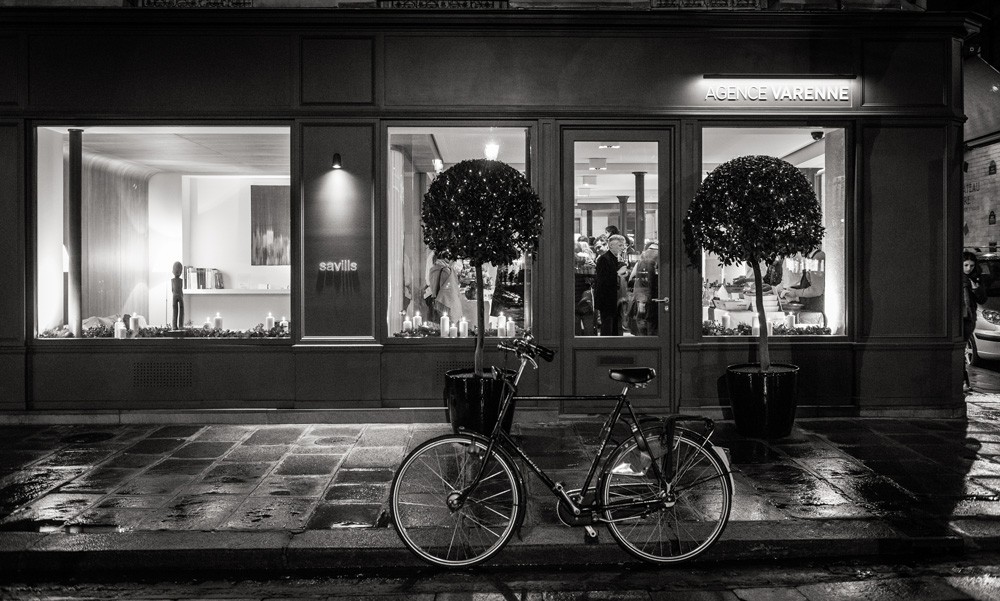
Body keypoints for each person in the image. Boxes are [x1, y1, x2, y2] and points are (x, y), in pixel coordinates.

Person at [963, 251, 988, 392]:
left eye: (971, 266)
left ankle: (964, 382)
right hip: (958, 317)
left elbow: (983, 299)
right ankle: (964, 381)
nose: (968, 269)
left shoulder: (976, 278)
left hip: (969, 318)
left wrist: (976, 289)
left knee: (961, 349)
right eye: (966, 265)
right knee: (959, 350)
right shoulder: (958, 278)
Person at [594, 234, 627, 336]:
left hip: (613, 300)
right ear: (611, 245)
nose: (623, 248)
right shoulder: (604, 259)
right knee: (608, 329)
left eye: (623, 245)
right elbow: (603, 281)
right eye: (620, 245)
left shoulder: (615, 258)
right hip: (607, 301)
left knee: (614, 328)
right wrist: (618, 273)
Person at [170, 261, 184, 330]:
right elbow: (175, 289)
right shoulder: (176, 280)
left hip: (176, 295)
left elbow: (173, 289)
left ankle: (178, 325)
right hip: (178, 296)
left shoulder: (177, 280)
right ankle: (176, 325)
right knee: (177, 310)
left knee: (178, 310)